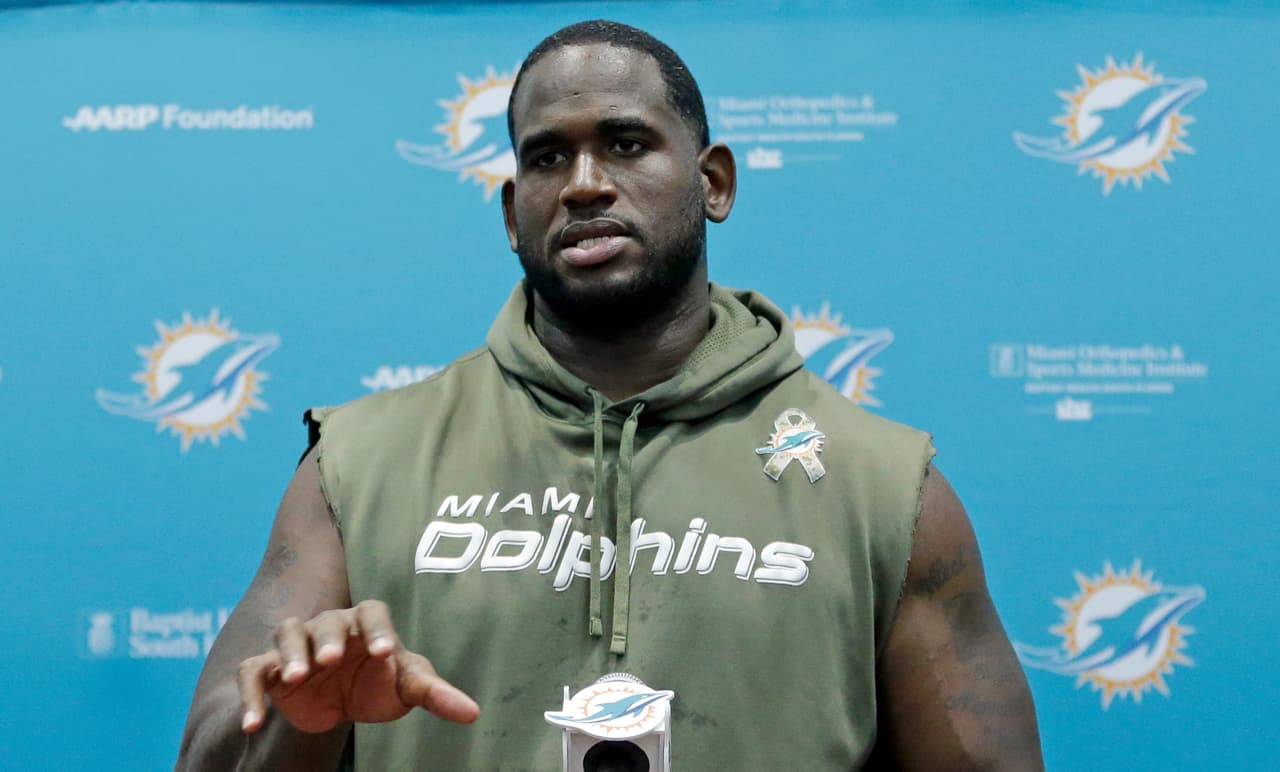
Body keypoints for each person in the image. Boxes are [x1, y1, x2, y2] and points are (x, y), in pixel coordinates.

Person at [177, 20, 1043, 771]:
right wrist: (297, 722)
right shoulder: (357, 465)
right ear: (514, 212)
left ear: (714, 183)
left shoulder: (884, 486)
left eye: (626, 144)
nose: (585, 182)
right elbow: (215, 750)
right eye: (548, 157)